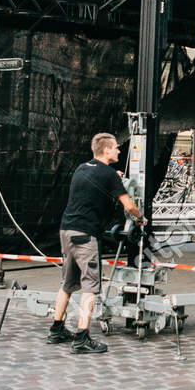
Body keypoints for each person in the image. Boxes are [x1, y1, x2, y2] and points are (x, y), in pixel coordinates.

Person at [46, 132, 146, 354]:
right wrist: (140, 219)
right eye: (116, 148)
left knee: (67, 283)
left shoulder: (83, 168)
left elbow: (97, 181)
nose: (119, 151)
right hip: (85, 234)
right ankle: (82, 338)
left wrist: (114, 176)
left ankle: (56, 329)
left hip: (66, 230)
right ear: (106, 150)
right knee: (90, 287)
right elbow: (129, 205)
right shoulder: (109, 175)